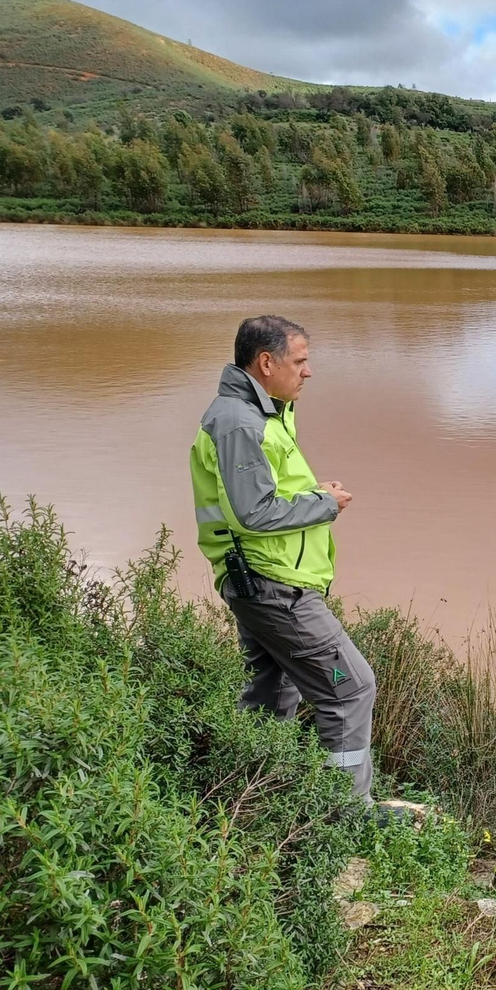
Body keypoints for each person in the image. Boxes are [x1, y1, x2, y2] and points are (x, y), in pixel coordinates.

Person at [188, 314, 377, 802]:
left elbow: (259, 496)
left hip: (266, 582)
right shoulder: (238, 422)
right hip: (274, 586)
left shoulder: (264, 411)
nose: (308, 372)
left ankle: (245, 797)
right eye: (301, 361)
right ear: (266, 362)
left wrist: (314, 493)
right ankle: (347, 816)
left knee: (272, 694)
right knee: (351, 689)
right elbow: (255, 512)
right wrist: (325, 504)